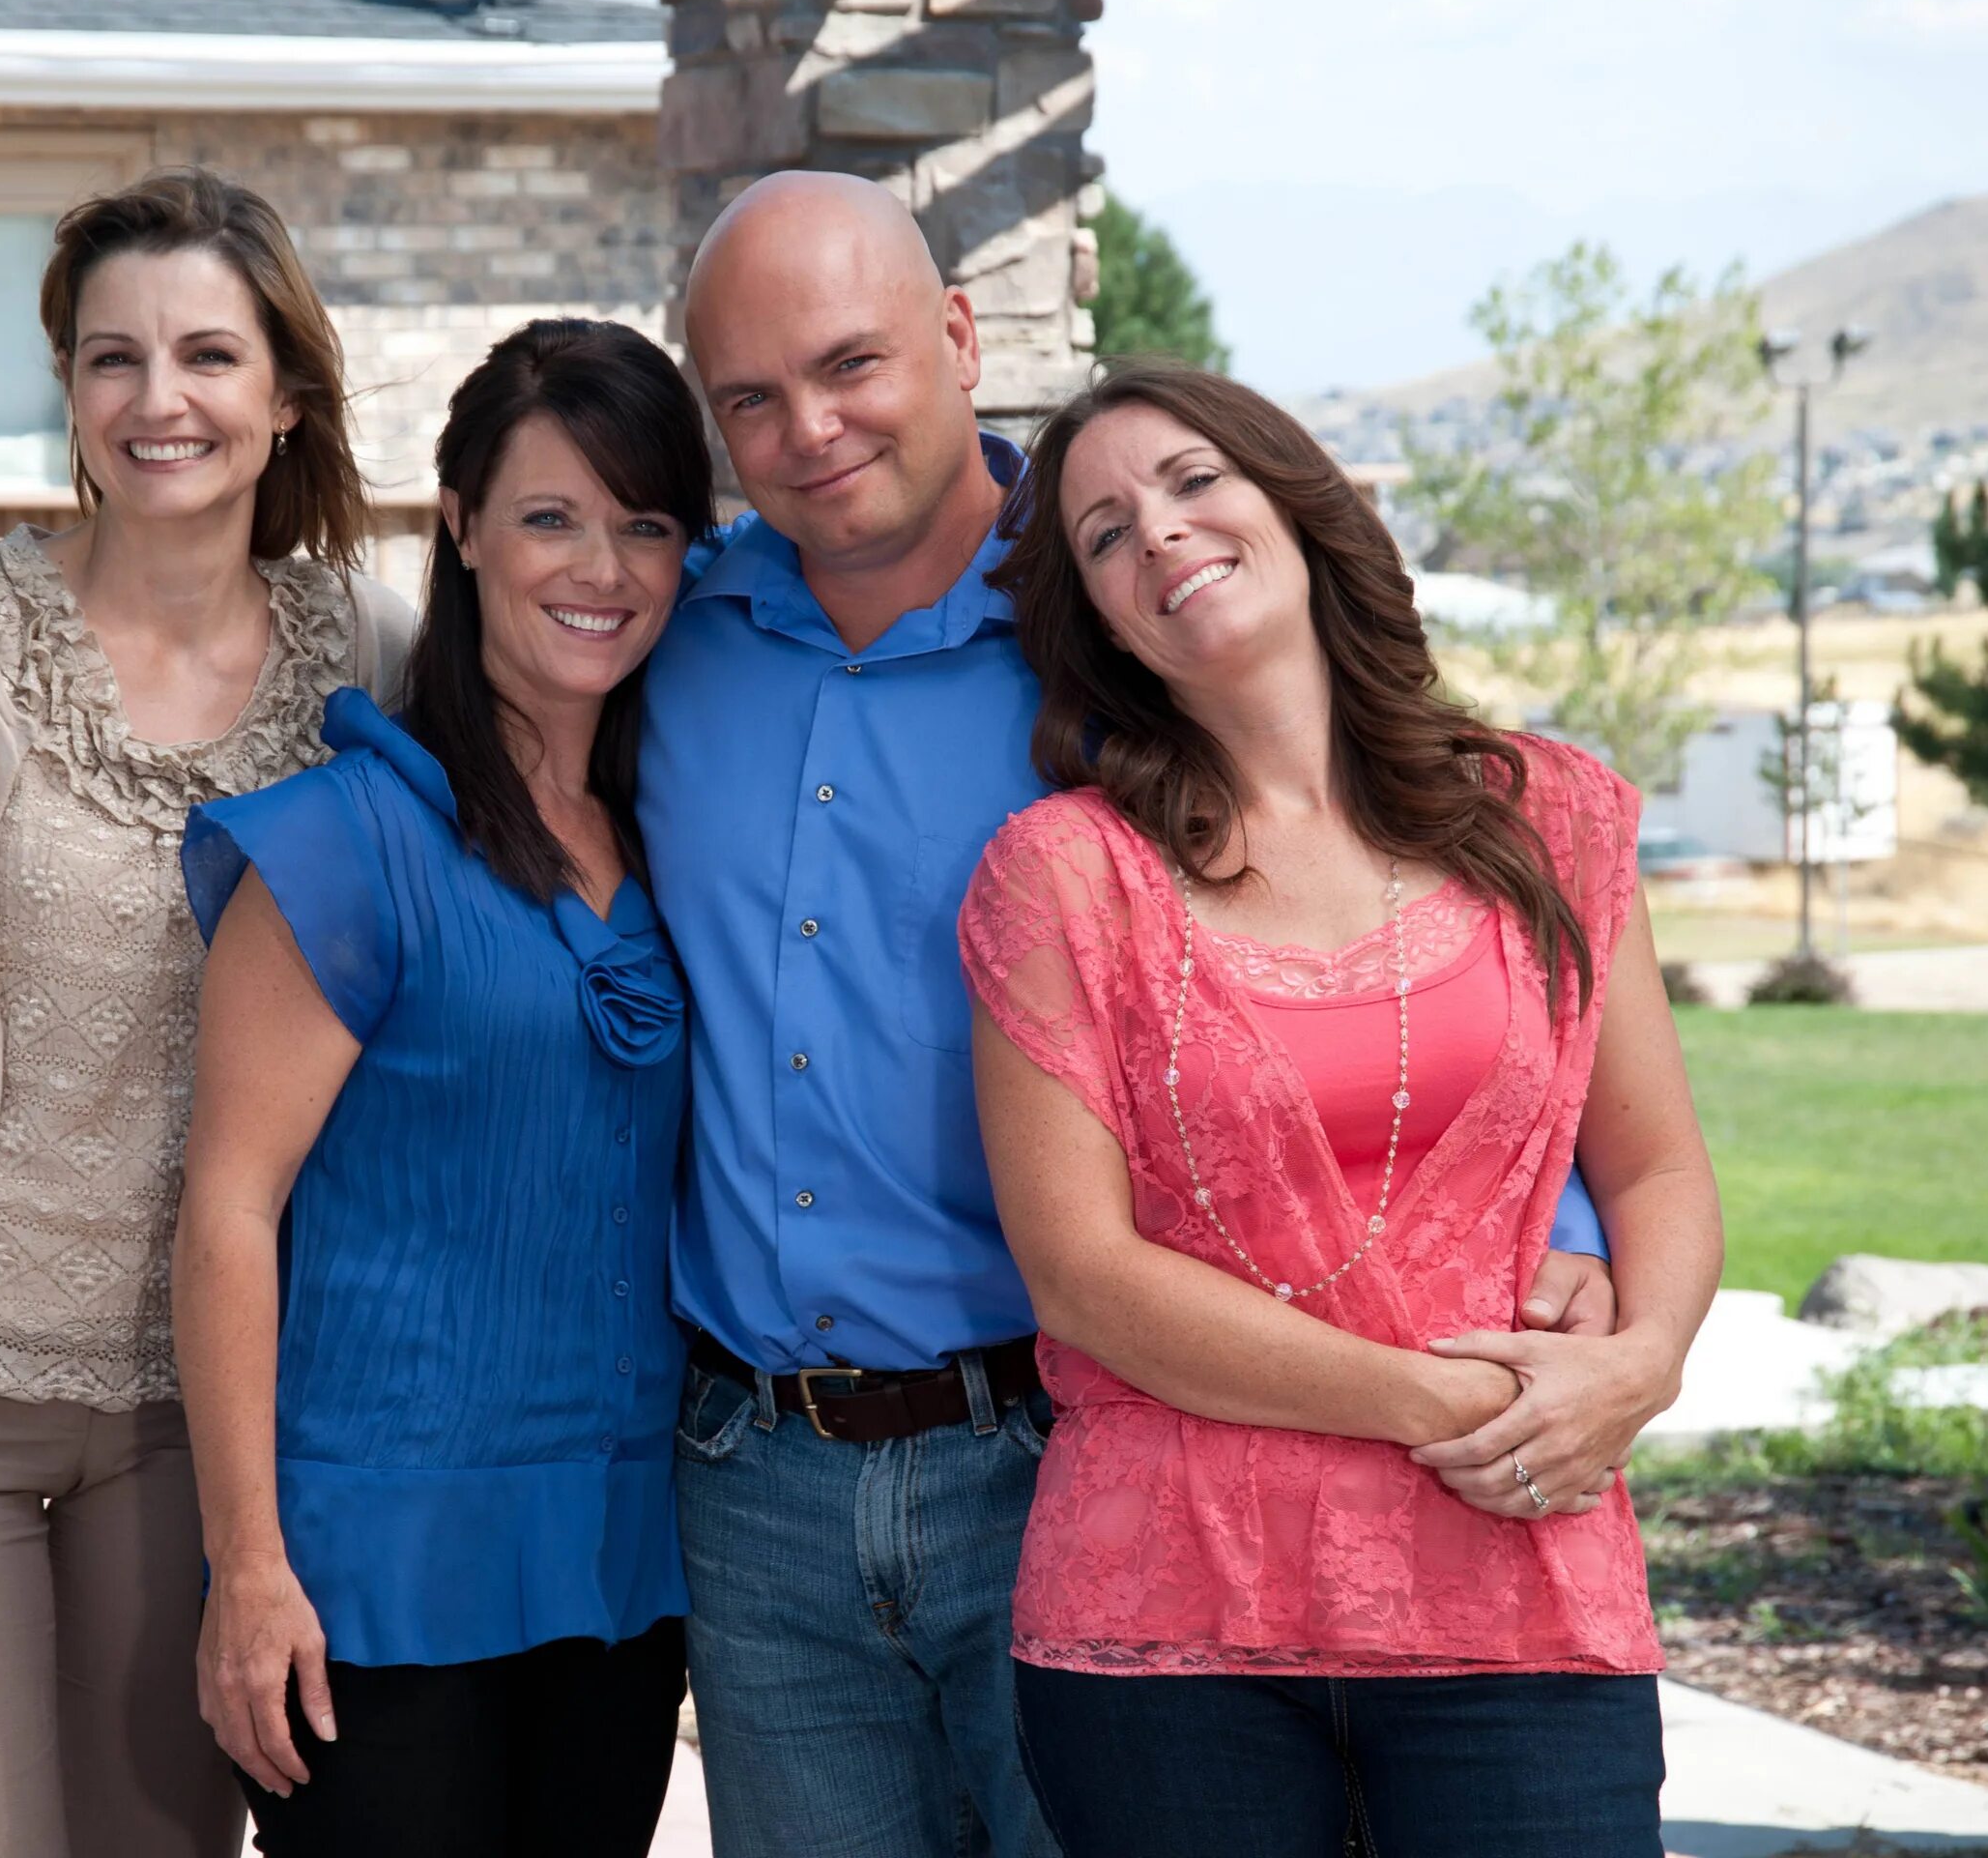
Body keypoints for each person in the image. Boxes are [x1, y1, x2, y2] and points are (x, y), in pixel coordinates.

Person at [637, 171, 1622, 1858]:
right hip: (762, 1480)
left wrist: (1567, 1213)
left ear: (958, 338)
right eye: (749, 398)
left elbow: (1396, 899)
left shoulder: (1121, 632)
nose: (808, 429)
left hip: (1071, 1442)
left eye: (851, 364)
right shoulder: (667, 644)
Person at [0, 167, 413, 1858]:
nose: (157, 399)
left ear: (286, 395)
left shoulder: (377, 664)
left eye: (206, 355)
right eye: (111, 359)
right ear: (69, 392)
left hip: (206, 1423)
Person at [960, 360, 1723, 1854]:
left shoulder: (1551, 820)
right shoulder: (1063, 877)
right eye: (1106, 534)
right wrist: (1449, 1406)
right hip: (1171, 1629)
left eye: (1192, 483)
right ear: (1099, 623)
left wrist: (1642, 1365)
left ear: (1303, 512)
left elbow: (1660, 1172)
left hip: (1520, 1592)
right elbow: (1084, 1277)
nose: (1159, 535)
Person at [173, 317, 711, 1857]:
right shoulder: (344, 839)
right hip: (374, 1578)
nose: (597, 566)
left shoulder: (673, 844)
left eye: (644, 525)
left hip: (618, 1564)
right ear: (463, 525)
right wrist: (248, 1568)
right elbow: (227, 1209)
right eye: (550, 516)